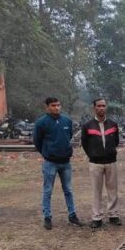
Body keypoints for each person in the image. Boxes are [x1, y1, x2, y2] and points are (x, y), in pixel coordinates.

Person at [33, 97, 81, 230]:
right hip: (50, 163)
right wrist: (47, 152)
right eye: (53, 105)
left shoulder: (67, 121)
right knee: (48, 190)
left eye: (58, 105)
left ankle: (72, 215)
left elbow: (68, 136)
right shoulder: (41, 123)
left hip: (65, 162)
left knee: (68, 190)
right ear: (47, 107)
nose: (57, 108)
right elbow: (37, 141)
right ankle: (47, 217)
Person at [80, 98, 121, 229]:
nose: (101, 108)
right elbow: (84, 143)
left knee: (112, 190)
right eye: (99, 106)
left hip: (111, 162)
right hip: (95, 163)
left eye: (103, 106)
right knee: (96, 191)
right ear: (94, 108)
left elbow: (116, 141)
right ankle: (97, 217)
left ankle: (113, 215)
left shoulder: (113, 124)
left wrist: (110, 152)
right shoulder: (87, 126)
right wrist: (93, 154)